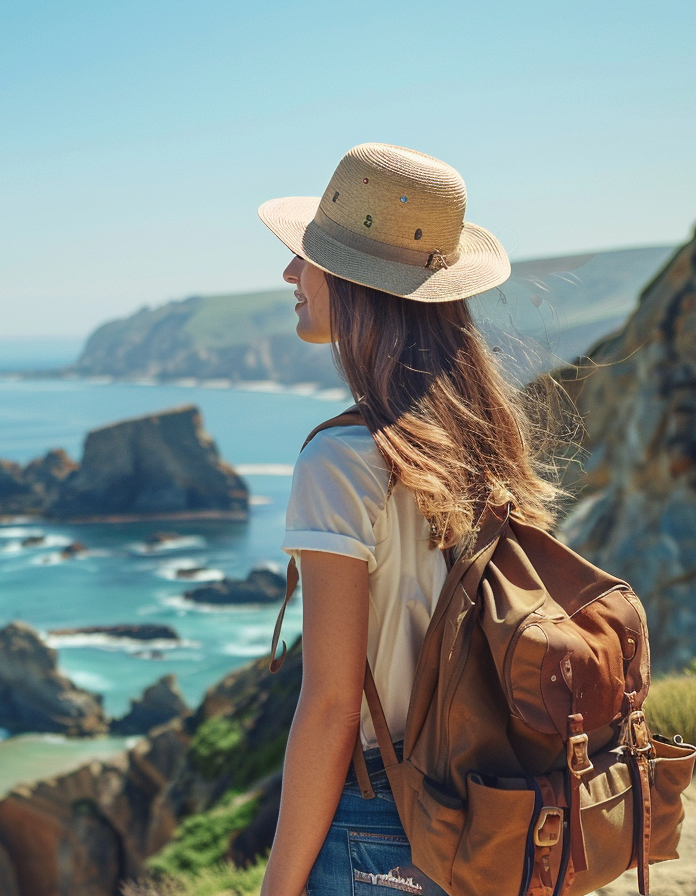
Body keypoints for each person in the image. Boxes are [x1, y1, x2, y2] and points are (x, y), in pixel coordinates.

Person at [254, 144, 573, 896]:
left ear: (359, 285)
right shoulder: (483, 437)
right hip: (490, 813)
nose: (291, 275)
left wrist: (276, 886)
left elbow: (333, 706)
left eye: (309, 259)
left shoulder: (340, 459)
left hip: (381, 825)